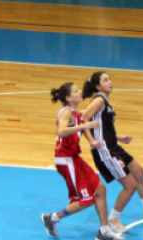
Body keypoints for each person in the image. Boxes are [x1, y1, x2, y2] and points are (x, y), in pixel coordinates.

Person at [81, 72, 143, 234]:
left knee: (140, 172)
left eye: (110, 79)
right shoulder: (99, 100)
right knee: (130, 185)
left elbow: (103, 129)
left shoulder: (106, 101)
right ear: (97, 86)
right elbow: (83, 120)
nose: (110, 82)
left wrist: (119, 137)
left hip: (114, 146)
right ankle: (112, 220)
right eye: (105, 80)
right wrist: (92, 142)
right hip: (105, 151)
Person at [41, 83, 124, 240]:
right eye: (76, 91)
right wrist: (86, 124)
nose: (80, 92)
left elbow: (84, 127)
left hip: (75, 158)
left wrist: (94, 141)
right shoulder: (66, 112)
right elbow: (62, 131)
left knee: (100, 189)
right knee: (86, 200)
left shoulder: (76, 113)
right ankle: (52, 218)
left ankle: (104, 230)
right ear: (68, 98)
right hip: (66, 161)